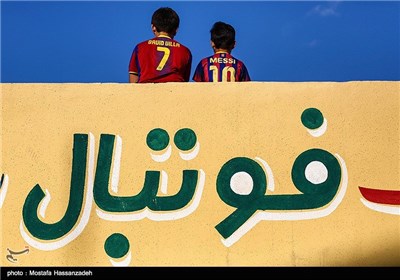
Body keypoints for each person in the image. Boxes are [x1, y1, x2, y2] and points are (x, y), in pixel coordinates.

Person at [128, 7, 192, 83]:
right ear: (176, 30)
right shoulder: (185, 51)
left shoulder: (140, 47)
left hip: (146, 91)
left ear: (153, 27)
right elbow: (184, 82)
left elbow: (133, 80)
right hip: (174, 92)